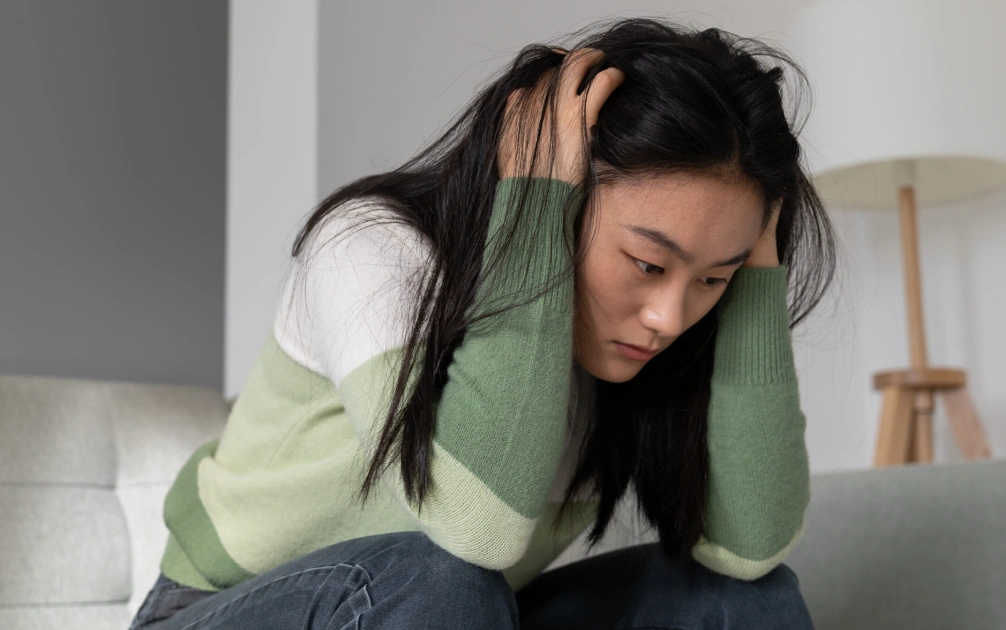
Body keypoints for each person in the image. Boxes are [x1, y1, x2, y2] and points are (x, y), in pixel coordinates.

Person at [129, 15, 837, 630]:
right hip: (216, 610)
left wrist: (753, 281)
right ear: (554, 190)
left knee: (740, 601)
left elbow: (749, 546)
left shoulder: (633, 358)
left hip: (464, 614)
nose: (668, 319)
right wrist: (531, 215)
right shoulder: (373, 251)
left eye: (712, 279)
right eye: (648, 265)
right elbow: (476, 531)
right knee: (442, 577)